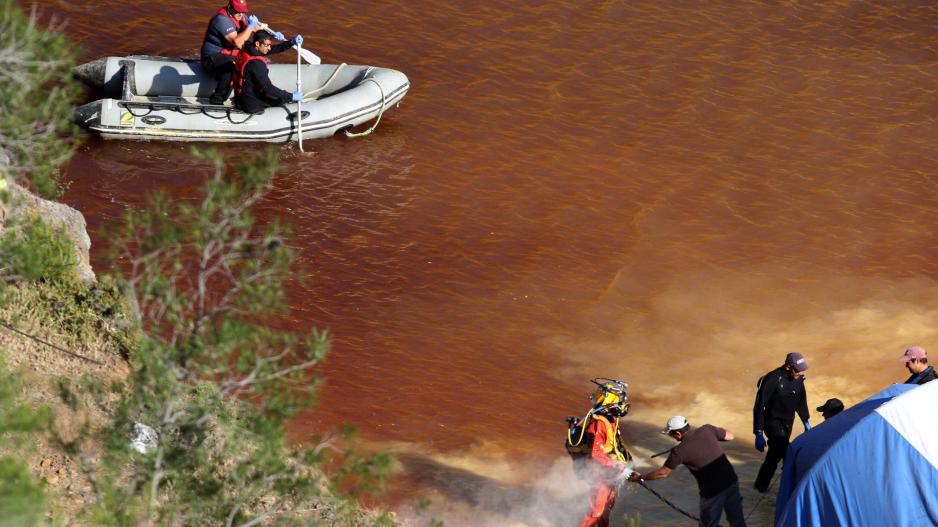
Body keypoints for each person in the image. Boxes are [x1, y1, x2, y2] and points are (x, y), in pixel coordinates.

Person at [629, 416, 746, 527]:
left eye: (671, 434)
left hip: (712, 493)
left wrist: (640, 477)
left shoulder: (678, 452)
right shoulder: (707, 429)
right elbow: (730, 436)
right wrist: (711, 437)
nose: (672, 437)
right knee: (737, 521)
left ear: (678, 433)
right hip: (731, 481)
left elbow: (662, 473)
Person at [567, 379, 632, 527]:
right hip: (599, 474)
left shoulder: (611, 419)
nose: (622, 405)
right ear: (611, 402)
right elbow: (597, 454)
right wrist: (620, 468)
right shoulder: (599, 423)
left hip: (609, 473)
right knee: (595, 513)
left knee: (605, 511)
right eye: (619, 401)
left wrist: (623, 465)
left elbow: (614, 446)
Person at [752, 352, 810, 493]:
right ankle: (793, 489)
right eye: (797, 369)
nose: (800, 372)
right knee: (787, 451)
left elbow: (801, 403)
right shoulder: (772, 379)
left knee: (774, 456)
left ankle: (760, 487)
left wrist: (806, 422)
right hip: (771, 422)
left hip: (787, 423)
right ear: (788, 366)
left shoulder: (798, 379)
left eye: (802, 369)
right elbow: (759, 406)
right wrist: (758, 432)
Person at [201, 0, 263, 105]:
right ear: (229, 7)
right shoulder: (221, 20)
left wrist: (269, 35)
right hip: (211, 58)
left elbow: (257, 29)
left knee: (251, 63)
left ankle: (249, 95)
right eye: (237, 11)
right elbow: (238, 43)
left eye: (243, 11)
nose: (240, 14)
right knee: (231, 66)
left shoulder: (240, 15)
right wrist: (250, 26)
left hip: (228, 54)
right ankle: (217, 99)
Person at [233, 31, 303, 114]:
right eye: (267, 45)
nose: (269, 48)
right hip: (250, 103)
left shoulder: (248, 48)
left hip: (240, 95)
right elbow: (268, 88)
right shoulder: (256, 64)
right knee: (281, 100)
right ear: (258, 44)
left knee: (277, 96)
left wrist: (291, 42)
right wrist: (291, 96)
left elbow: (274, 49)